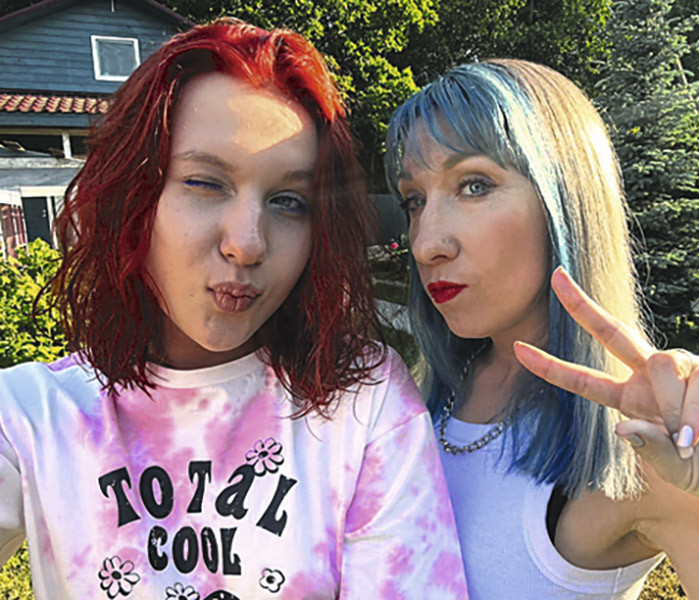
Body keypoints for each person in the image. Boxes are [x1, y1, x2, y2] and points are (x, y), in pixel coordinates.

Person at [0, 20, 467, 599]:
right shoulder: (35, 418)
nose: (247, 244)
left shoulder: (360, 404)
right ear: (134, 195)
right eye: (205, 183)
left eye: (288, 201)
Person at [385, 58, 699, 599]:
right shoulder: (414, 397)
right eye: (414, 201)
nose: (425, 243)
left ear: (567, 202)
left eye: (474, 186)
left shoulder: (644, 443)